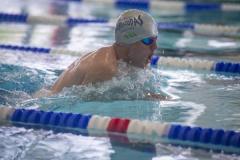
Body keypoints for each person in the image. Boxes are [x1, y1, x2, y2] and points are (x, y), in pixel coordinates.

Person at [50, 9, 168, 100]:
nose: (155, 47)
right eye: (148, 41)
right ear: (128, 41)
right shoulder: (105, 67)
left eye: (155, 40)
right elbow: (84, 103)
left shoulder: (117, 59)